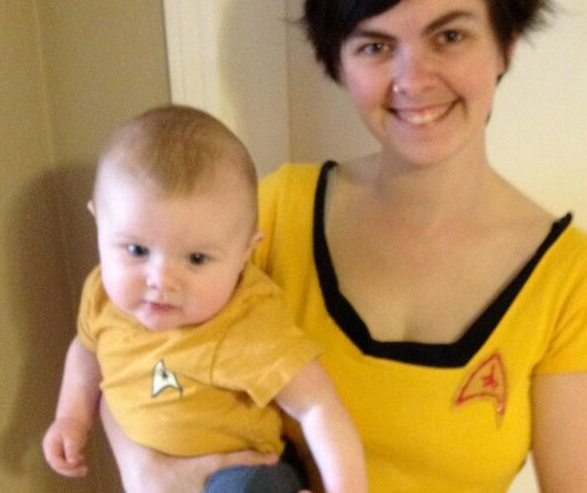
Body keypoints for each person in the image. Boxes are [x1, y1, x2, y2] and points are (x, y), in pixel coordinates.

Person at [101, 0, 587, 492]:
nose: (414, 79)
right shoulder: (269, 215)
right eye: (375, 46)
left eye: (450, 35)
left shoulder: (570, 281)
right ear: (339, 60)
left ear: (506, 41)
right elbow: (128, 350)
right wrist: (146, 470)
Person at [42, 105, 367, 493]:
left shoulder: (246, 320)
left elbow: (316, 405)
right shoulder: (101, 295)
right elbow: (87, 350)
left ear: (245, 253)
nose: (160, 280)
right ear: (99, 222)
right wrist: (72, 418)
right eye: (136, 250)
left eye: (196, 258)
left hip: (243, 475)